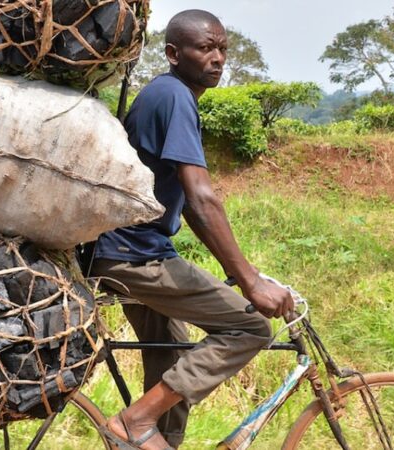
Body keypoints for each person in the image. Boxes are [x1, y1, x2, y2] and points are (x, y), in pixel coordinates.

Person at [87, 9, 294, 450]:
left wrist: (245, 271)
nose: (217, 58)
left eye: (222, 48)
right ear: (173, 53)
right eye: (205, 47)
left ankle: (153, 436)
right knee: (251, 329)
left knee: (171, 361)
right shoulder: (174, 97)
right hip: (136, 254)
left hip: (125, 248)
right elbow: (201, 201)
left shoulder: (167, 94)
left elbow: (196, 207)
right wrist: (249, 281)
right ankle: (134, 421)